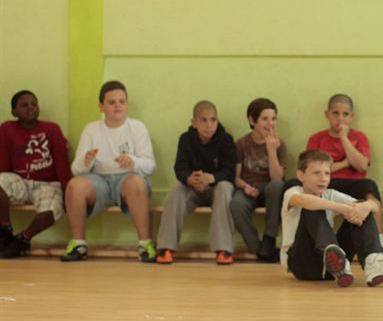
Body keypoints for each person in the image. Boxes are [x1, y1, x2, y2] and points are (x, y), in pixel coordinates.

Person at [281, 150, 383, 287]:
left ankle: (372, 261)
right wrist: (343, 208)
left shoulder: (330, 194)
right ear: (301, 175)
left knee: (360, 207)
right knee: (312, 206)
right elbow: (304, 201)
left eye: (327, 173)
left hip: (333, 270)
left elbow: (374, 207)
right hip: (301, 264)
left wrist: (366, 206)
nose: (323, 178)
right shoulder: (293, 192)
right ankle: (331, 250)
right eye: (316, 173)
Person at [61, 81, 157, 262]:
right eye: (112, 102)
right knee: (75, 186)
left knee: (136, 182)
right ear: (101, 106)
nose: (118, 105)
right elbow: (76, 169)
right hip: (98, 181)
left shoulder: (137, 128)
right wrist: (85, 161)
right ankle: (78, 243)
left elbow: (150, 166)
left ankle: (145, 244)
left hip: (127, 180)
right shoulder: (91, 129)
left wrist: (133, 161)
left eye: (122, 101)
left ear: (127, 104)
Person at [156, 101, 237, 265]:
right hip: (193, 189)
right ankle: (166, 248)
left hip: (216, 187)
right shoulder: (185, 139)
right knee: (176, 190)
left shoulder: (226, 139)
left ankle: (223, 249)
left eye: (213, 120)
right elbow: (180, 167)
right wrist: (189, 179)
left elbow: (230, 171)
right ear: (194, 123)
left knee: (225, 187)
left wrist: (212, 178)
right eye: (204, 120)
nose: (209, 125)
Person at [306, 94, 383, 247]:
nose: (340, 118)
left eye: (345, 114)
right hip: (325, 184)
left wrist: (344, 138)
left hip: (354, 184)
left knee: (370, 186)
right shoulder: (316, 139)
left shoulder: (359, 137)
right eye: (335, 113)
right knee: (299, 185)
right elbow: (312, 169)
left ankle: (380, 243)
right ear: (327, 115)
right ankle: (317, 243)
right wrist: (344, 163)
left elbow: (362, 166)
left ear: (352, 116)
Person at [0, 90, 70, 258]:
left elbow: (62, 163)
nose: (30, 108)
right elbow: (3, 164)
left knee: (49, 214)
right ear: (14, 112)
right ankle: (4, 230)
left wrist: (68, 191)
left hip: (47, 185)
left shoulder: (52, 129)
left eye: (34, 104)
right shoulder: (7, 128)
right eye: (24, 105)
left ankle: (22, 240)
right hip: (20, 181)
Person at [230, 97, 286, 262]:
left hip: (270, 189)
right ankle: (258, 249)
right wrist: (245, 187)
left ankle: (269, 240)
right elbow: (236, 177)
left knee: (277, 186)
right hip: (249, 188)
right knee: (236, 204)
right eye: (265, 119)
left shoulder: (280, 145)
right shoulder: (241, 144)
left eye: (273, 118)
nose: (270, 123)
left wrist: (271, 151)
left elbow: (277, 178)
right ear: (252, 120)